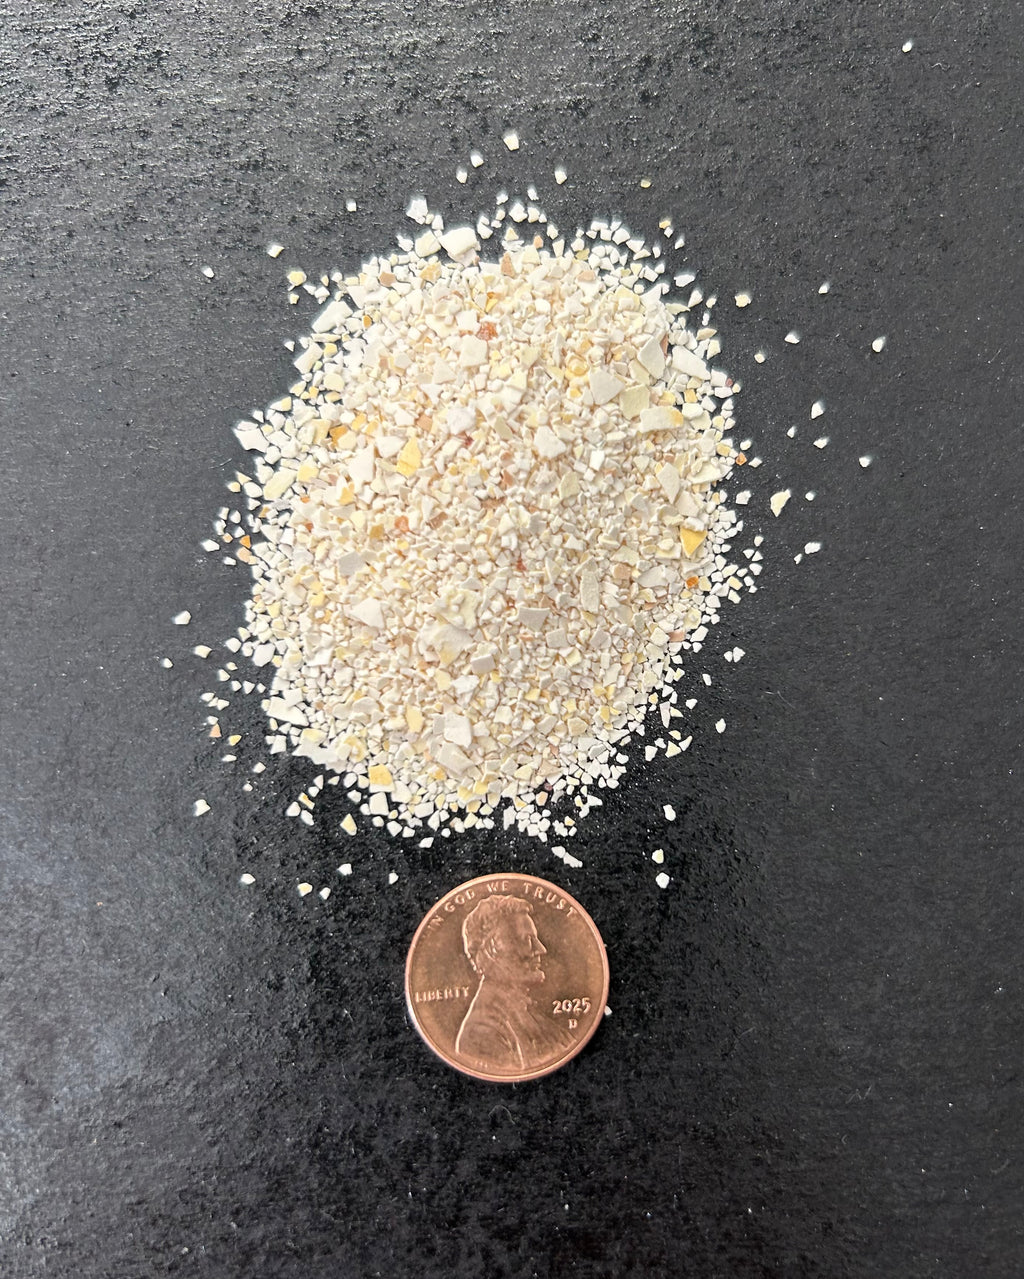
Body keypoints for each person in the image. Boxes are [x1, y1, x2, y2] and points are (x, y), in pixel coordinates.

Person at [455, 895, 575, 1071]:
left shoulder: (531, 1015)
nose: (541, 949)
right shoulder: (481, 1033)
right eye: (526, 940)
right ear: (491, 951)